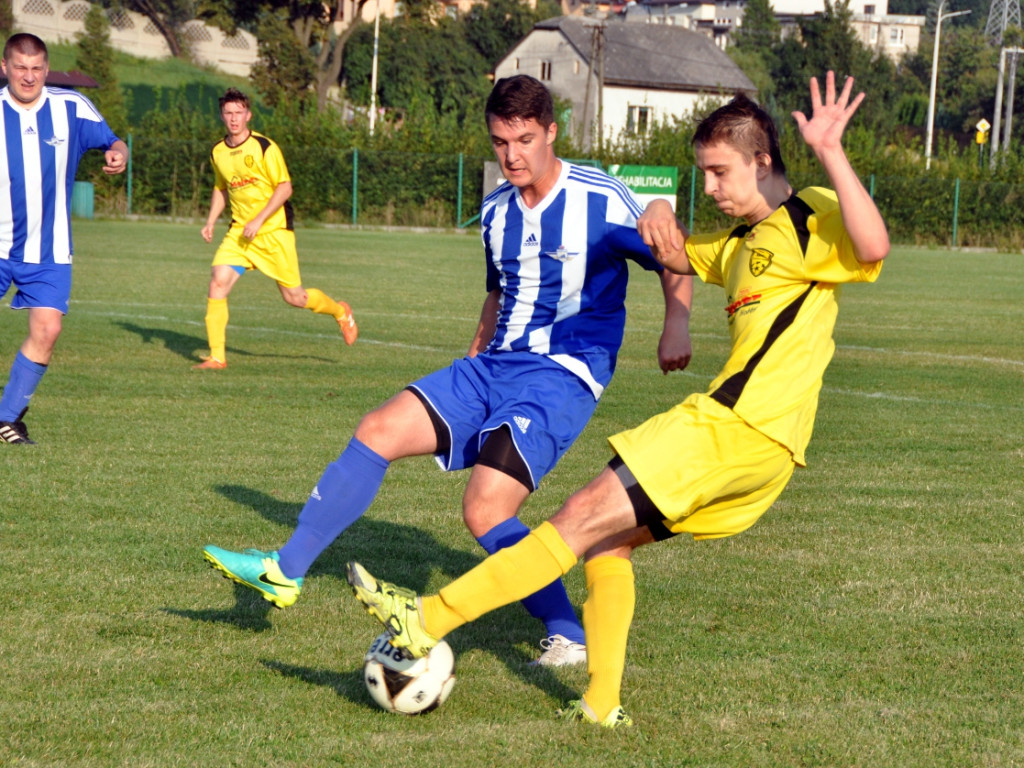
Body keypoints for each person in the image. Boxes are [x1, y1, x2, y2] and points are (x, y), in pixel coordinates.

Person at [344, 71, 890, 726]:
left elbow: (873, 245)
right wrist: (656, 212)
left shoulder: (807, 218)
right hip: (766, 450)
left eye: (719, 173)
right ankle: (601, 705)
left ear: (762, 161)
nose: (710, 189)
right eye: (703, 175)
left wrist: (831, 152)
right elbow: (679, 256)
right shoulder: (743, 242)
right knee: (608, 544)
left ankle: (426, 617)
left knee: (576, 517)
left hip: (736, 427)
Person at [204, 75, 694, 666]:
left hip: (563, 375)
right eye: (499, 141)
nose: (512, 155)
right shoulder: (494, 210)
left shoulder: (602, 196)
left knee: (485, 509)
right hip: (492, 366)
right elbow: (499, 291)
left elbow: (672, 253)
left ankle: (567, 631)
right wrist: (474, 353)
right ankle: (285, 571)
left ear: (551, 133)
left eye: (525, 139)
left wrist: (677, 323)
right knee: (377, 428)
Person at [0, 33, 129, 445]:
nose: (29, 76)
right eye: (20, 67)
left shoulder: (70, 106)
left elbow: (113, 139)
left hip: (50, 248)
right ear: (5, 68)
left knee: (48, 330)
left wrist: (118, 153)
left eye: (37, 68)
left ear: (46, 68)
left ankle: (7, 419)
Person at [194, 88, 357, 370]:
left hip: (274, 231)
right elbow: (221, 187)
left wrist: (258, 220)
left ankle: (340, 312)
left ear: (248, 115)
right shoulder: (218, 152)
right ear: (222, 116)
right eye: (228, 113)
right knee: (217, 281)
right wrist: (210, 221)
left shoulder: (264, 147)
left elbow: (285, 188)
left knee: (296, 297)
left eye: (239, 113)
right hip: (240, 233)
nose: (234, 119)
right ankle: (217, 357)